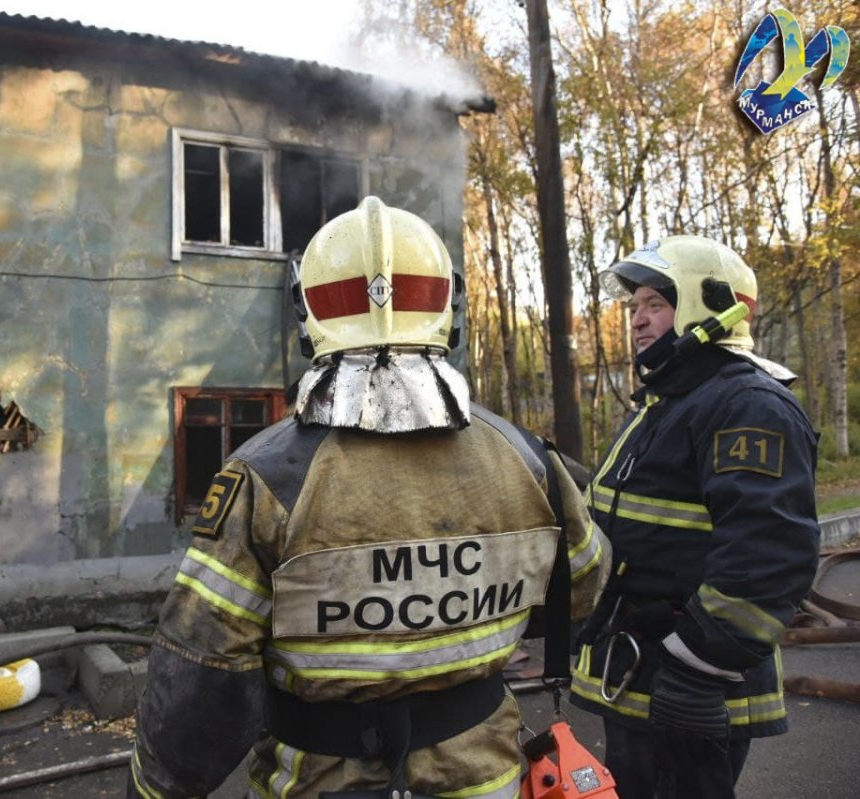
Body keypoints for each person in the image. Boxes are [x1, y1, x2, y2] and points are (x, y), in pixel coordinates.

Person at [127, 196, 611, 799]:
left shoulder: (263, 475)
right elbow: (581, 587)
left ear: (310, 313)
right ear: (446, 306)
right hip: (484, 779)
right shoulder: (528, 459)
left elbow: (207, 670)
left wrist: (156, 788)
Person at [569, 236, 821, 799]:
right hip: (643, 669)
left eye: (656, 304)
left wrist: (697, 667)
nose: (637, 320)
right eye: (635, 306)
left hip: (691, 682)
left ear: (713, 308)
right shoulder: (669, 401)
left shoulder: (746, 405)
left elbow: (769, 557)